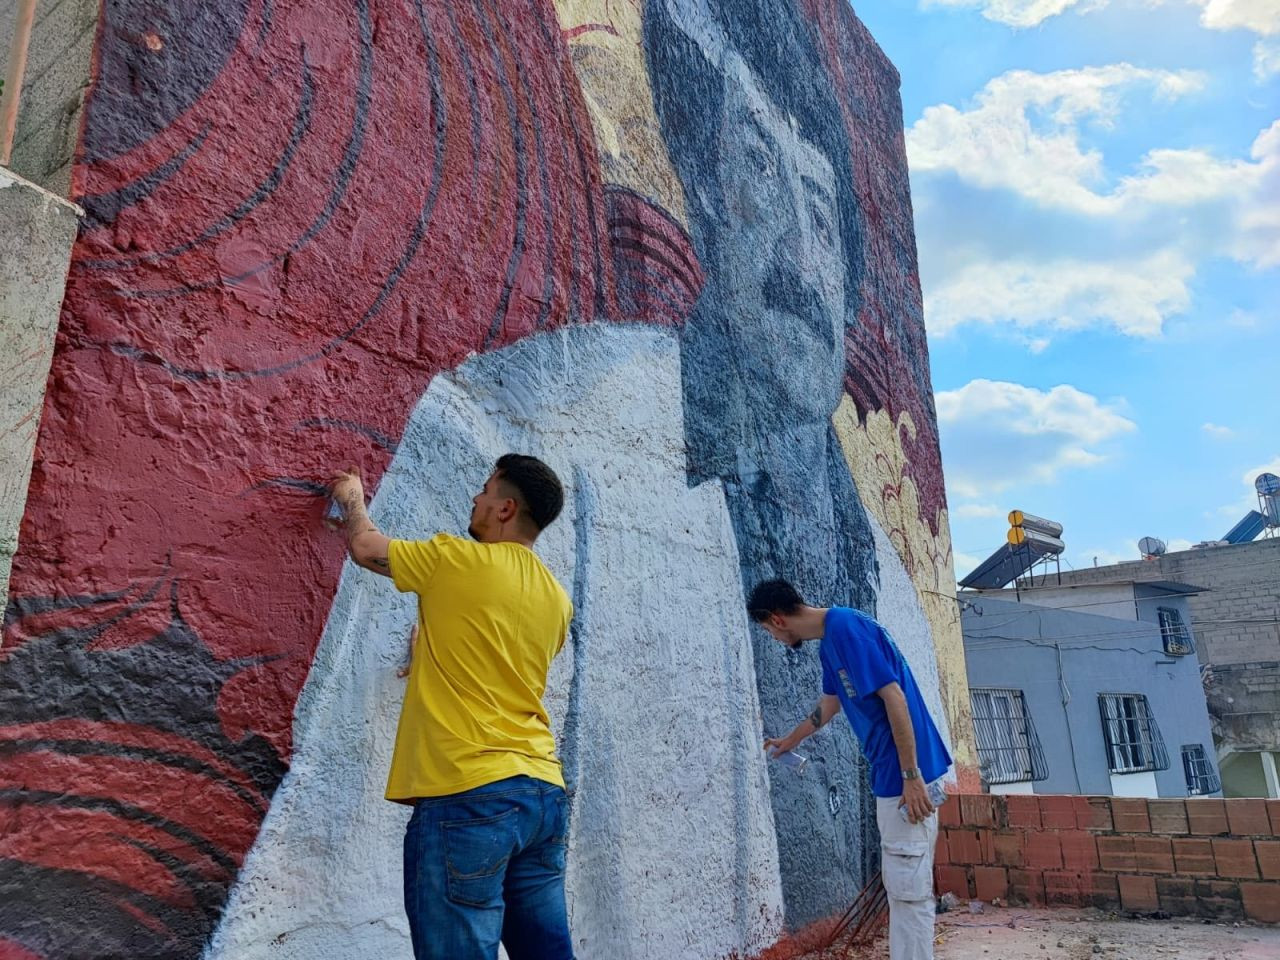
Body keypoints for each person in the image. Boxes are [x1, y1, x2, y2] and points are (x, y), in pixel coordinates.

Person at [328, 454, 576, 960]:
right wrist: (433, 642)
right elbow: (498, 660)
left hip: (469, 794)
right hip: (542, 791)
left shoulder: (456, 560)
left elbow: (365, 547)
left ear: (505, 509)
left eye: (485, 490)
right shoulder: (557, 599)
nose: (475, 498)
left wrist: (350, 495)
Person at [747, 579, 952, 960]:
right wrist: (788, 742)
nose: (772, 638)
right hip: (894, 775)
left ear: (776, 620)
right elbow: (829, 705)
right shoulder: (832, 641)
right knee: (902, 886)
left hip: (903, 777)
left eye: (766, 631)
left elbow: (896, 700)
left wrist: (910, 776)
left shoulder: (846, 628)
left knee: (909, 892)